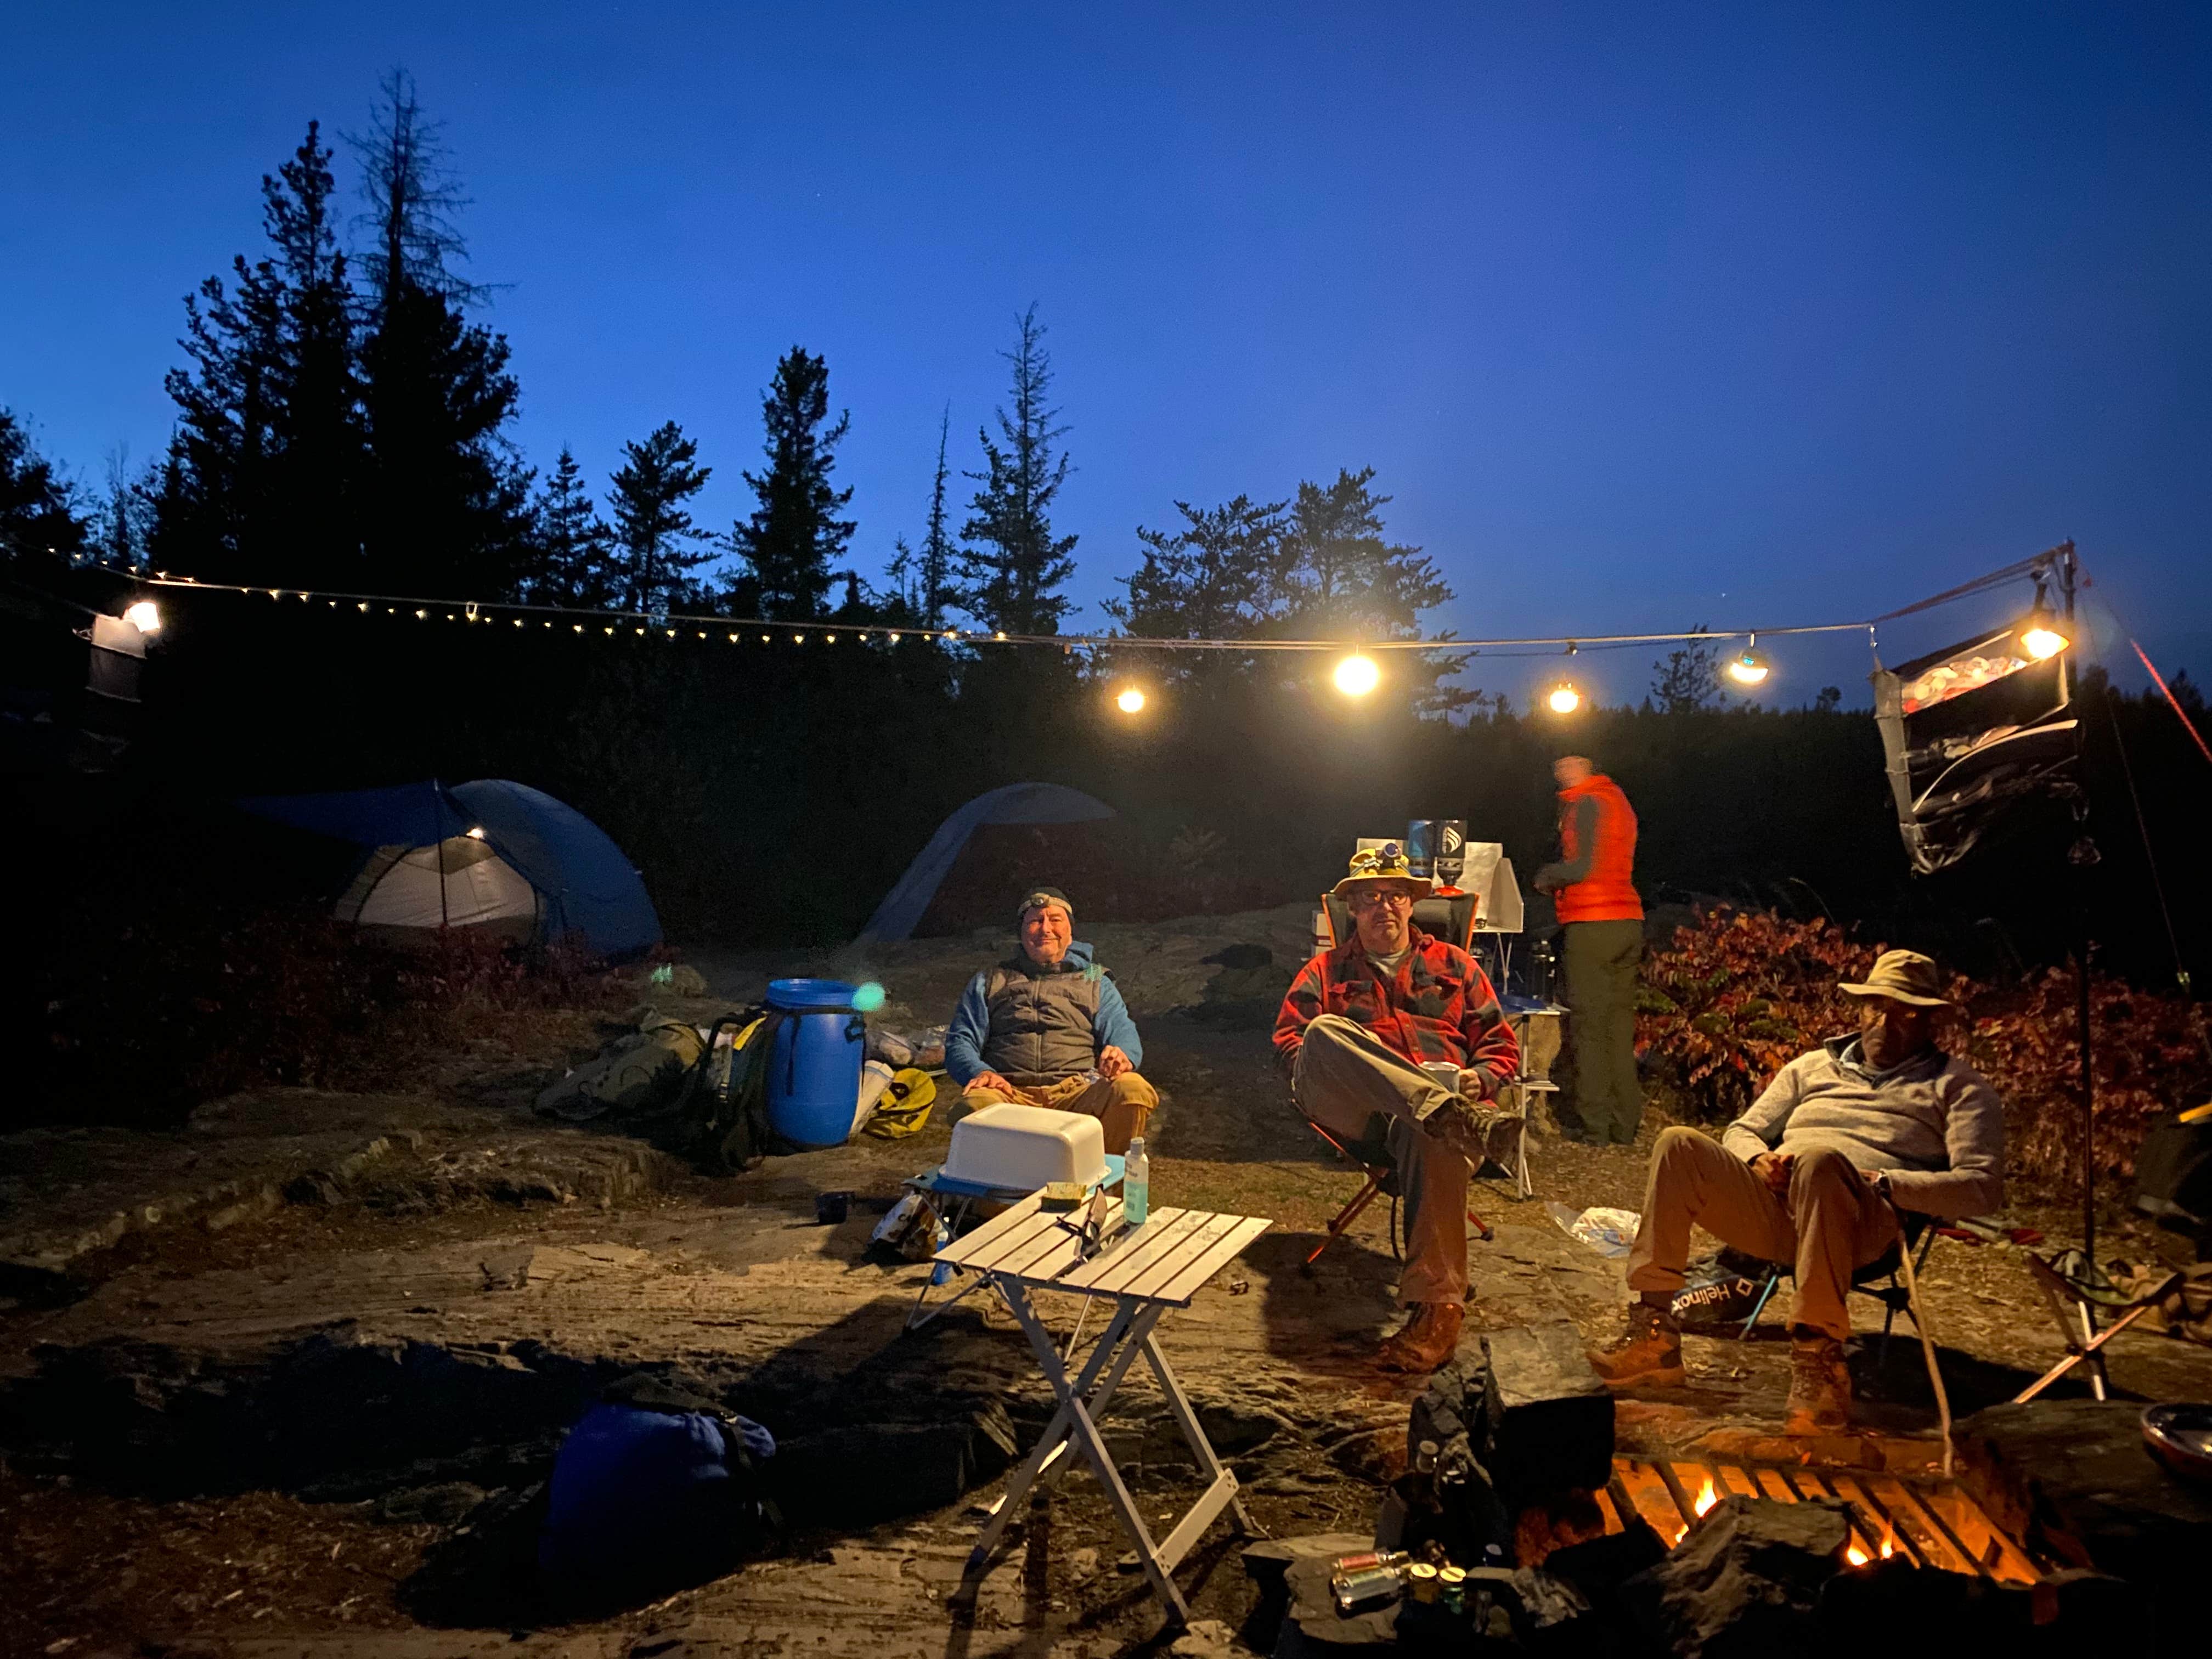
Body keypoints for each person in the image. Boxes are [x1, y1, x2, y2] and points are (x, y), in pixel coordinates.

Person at [1589, 949, 2005, 1435]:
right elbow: (1744, 1129)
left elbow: (1982, 1189)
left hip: (1864, 1227)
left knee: (1819, 1161)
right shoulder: (1811, 1068)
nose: (1884, 1024)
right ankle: (1655, 1336)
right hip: (1778, 1212)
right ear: (1860, 1009)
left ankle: (1819, 1360)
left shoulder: (1958, 1088)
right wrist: (1757, 1160)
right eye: (1876, 1007)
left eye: (1905, 1013)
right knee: (1678, 1144)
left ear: (1930, 1020)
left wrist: (1884, 1183)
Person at [1275, 843, 1522, 1373]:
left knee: (1431, 1130)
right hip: (1358, 1112)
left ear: (1412, 903)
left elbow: (1500, 1046)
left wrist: (1477, 1080)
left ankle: (1439, 1310)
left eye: (1395, 896)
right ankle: (1444, 1111)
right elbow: (1291, 1044)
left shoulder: (1455, 965)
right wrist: (1351, 1071)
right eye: (1369, 897)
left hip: (1432, 1122)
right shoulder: (1324, 970)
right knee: (1324, 1031)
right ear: (1352, 908)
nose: (1383, 906)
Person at [945, 887, 1155, 1155]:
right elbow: (961, 1041)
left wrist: (1122, 1053)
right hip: (1009, 1092)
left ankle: (1105, 1177)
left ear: (1070, 931)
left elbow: (1122, 1028)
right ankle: (1001, 1183)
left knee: (1132, 1090)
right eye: (1035, 921)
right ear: (1021, 932)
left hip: (1078, 1091)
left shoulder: (1094, 977)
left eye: (1056, 920)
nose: (1046, 929)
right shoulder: (991, 979)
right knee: (975, 1108)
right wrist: (980, 1072)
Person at [1532, 755, 1646, 1145]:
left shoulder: (1586, 804)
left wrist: (1546, 877)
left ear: (1583, 766)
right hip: (1628, 920)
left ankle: (1595, 1125)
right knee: (1618, 1026)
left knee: (1589, 1027)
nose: (1559, 772)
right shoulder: (1617, 800)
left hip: (1593, 923)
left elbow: (1583, 867)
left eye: (1565, 765)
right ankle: (1625, 1122)